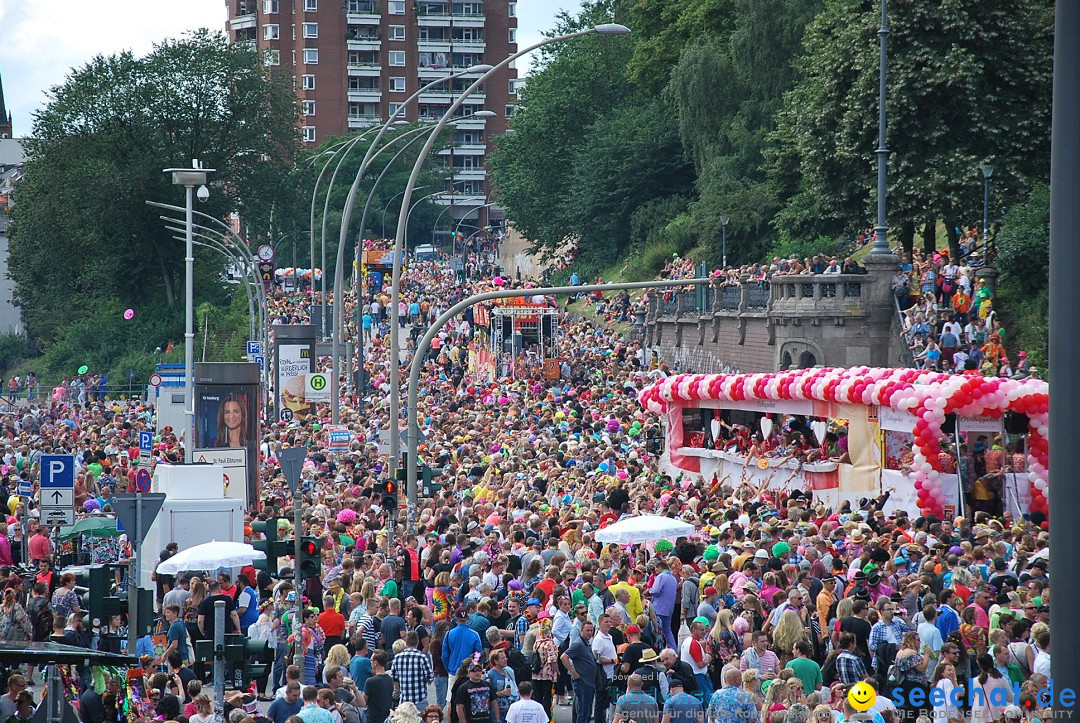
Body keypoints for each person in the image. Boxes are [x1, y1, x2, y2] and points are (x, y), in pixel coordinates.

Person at [562, 621, 598, 723]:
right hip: (582, 683)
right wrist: (573, 672)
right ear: (581, 631)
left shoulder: (586, 643)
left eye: (591, 630)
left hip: (589, 683)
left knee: (587, 712)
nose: (589, 633)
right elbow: (564, 657)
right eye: (587, 630)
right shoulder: (578, 643)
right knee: (583, 712)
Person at [391, 631, 434, 708]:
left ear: (406, 642)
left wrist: (399, 690)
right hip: (420, 699)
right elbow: (430, 677)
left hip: (404, 700)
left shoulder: (397, 658)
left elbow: (394, 678)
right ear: (417, 642)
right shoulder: (422, 657)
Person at [454, 659, 500, 723]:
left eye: (479, 670)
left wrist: (497, 720)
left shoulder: (487, 685)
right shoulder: (463, 687)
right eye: (474, 670)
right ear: (469, 672)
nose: (477, 672)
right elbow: (459, 707)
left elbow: (494, 702)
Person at [359, 651, 394, 723]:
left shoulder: (370, 681)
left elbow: (363, 702)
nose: (370, 662)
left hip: (373, 718)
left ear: (375, 662)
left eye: (371, 660)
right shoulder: (389, 679)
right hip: (386, 717)